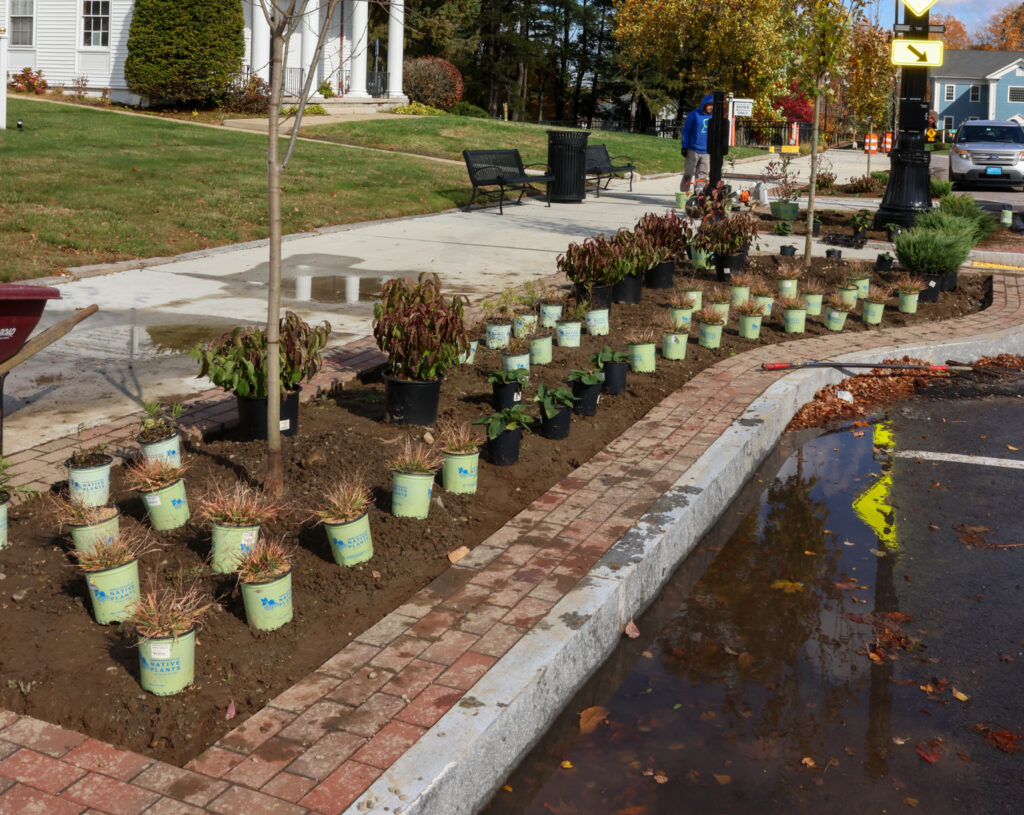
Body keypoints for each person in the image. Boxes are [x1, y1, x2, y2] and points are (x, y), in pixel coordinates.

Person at [680, 94, 714, 194]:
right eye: (708, 105)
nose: (710, 107)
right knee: (688, 173)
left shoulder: (713, 117)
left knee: (702, 174)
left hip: (706, 151)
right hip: (692, 149)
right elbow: (686, 131)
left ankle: (699, 194)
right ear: (704, 104)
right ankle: (683, 193)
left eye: (712, 105)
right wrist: (684, 146)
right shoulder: (694, 115)